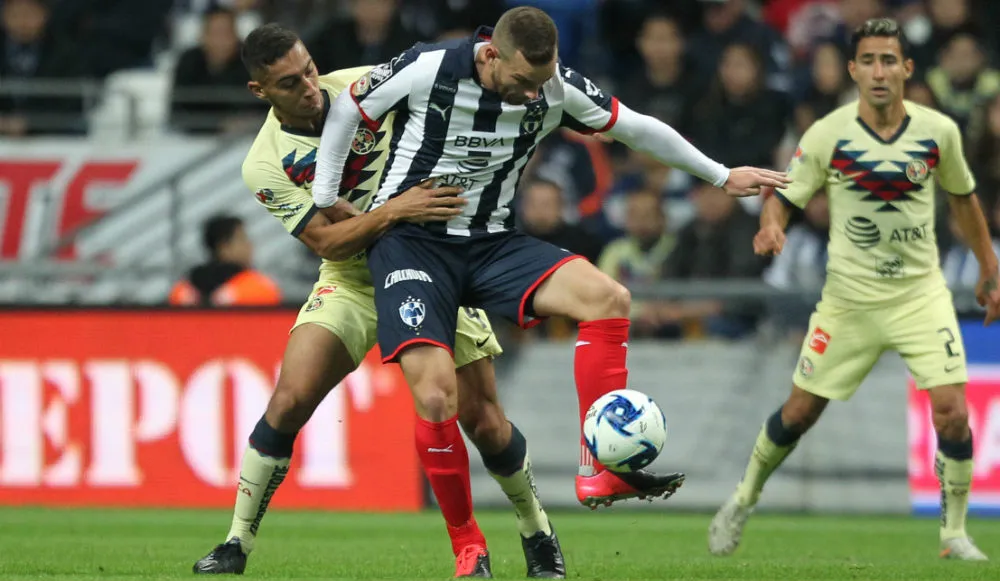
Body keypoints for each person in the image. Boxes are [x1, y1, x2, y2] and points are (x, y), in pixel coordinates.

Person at [310, 5, 788, 519]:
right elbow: (349, 105)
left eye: (541, 82)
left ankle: (597, 468)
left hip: (490, 242)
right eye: (522, 81)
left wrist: (720, 175)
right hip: (413, 244)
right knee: (436, 398)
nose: (533, 94)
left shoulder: (554, 85)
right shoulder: (431, 66)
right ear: (491, 56)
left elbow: (636, 127)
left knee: (608, 297)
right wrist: (325, 195)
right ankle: (467, 540)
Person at [192, 24, 565, 579]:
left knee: (485, 421)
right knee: (289, 400)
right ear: (259, 90)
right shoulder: (264, 164)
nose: (310, 87)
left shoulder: (365, 87)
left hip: (432, 265)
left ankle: (537, 531)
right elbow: (327, 242)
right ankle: (235, 543)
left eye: (310, 70)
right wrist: (395, 210)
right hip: (351, 280)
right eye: (290, 83)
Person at [708, 18, 1000, 561]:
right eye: (868, 61)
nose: (879, 72)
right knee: (799, 413)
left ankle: (954, 533)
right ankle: (744, 497)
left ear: (907, 69)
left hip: (919, 297)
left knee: (953, 412)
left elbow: (964, 200)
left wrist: (989, 267)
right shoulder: (828, 134)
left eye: (889, 60)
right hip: (848, 303)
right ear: (853, 70)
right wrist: (771, 226)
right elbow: (783, 197)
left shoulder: (938, 132)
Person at [168, 214, 282, 306]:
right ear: (223, 247)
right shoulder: (258, 288)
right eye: (242, 239)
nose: (249, 245)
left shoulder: (184, 289)